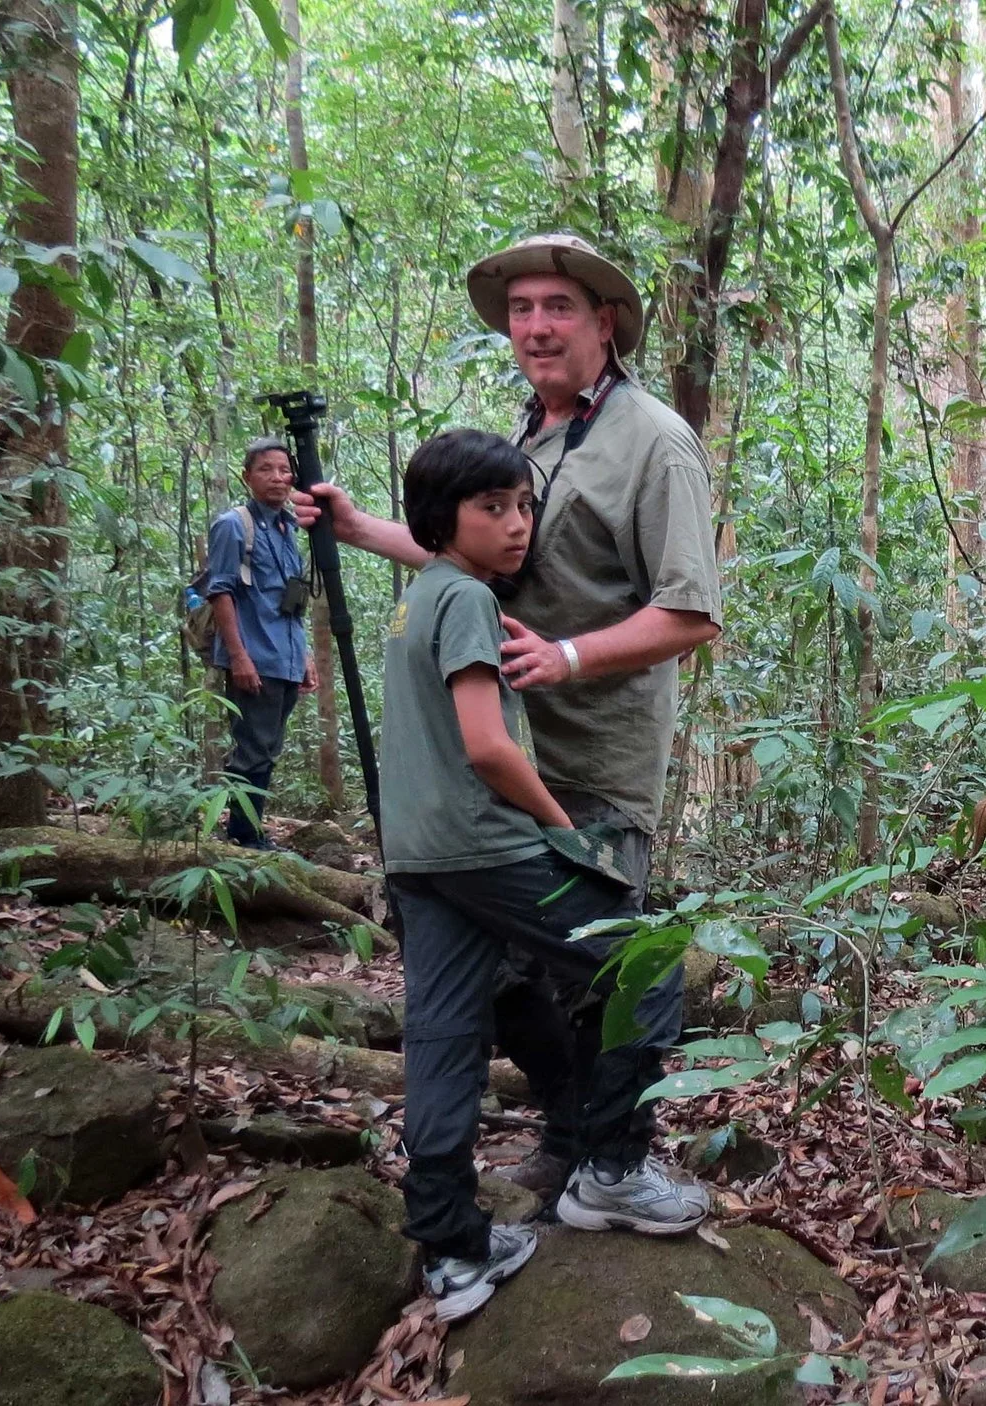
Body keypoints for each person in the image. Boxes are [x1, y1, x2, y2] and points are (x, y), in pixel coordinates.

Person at [296, 234, 720, 1203]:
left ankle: (614, 1155)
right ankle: (574, 1135)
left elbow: (691, 609)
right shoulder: (530, 437)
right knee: (506, 981)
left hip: (598, 762)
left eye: (557, 307)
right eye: (521, 308)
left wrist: (565, 655)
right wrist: (364, 530)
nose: (535, 325)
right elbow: (475, 551)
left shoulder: (652, 439)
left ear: (603, 323)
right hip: (498, 764)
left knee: (611, 963)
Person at [384, 428, 705, 1323]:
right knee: (645, 959)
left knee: (444, 1035)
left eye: (525, 505)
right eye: (494, 509)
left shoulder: (420, 599)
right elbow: (488, 746)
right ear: (444, 518)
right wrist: (563, 830)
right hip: (487, 844)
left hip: (417, 858)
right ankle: (612, 1169)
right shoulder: (468, 604)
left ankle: (452, 1246)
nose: (518, 525)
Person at [206, 436, 318, 849]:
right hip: (254, 657)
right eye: (266, 469)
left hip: (283, 657)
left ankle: (250, 829)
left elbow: (291, 599)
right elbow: (220, 592)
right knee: (252, 749)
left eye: (284, 470)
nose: (277, 478)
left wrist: (305, 658)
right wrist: (239, 657)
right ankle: (242, 837)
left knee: (267, 748)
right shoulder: (234, 525)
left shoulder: (288, 527)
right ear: (247, 475)